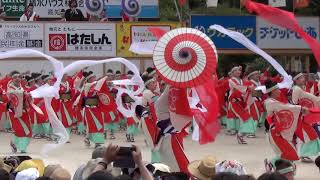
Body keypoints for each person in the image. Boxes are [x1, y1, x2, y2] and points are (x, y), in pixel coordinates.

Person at [291, 73, 320, 162]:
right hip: (302, 117)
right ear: (296, 81)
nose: (303, 79)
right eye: (300, 78)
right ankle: (304, 154)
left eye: (303, 77)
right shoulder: (296, 89)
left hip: (306, 116)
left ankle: (305, 154)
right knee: (309, 135)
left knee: (310, 135)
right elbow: (294, 103)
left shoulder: (301, 88)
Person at [227, 66, 255, 144]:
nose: (238, 71)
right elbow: (238, 87)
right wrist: (248, 87)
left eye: (239, 70)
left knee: (247, 118)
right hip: (234, 102)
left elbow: (249, 86)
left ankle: (240, 134)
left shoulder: (242, 81)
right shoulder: (231, 80)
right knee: (246, 118)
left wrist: (252, 87)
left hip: (241, 102)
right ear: (232, 73)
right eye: (236, 70)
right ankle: (240, 134)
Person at [7, 71, 33, 153]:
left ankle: (15, 143)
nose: (17, 79)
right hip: (14, 113)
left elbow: (26, 98)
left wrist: (29, 97)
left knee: (28, 130)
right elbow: (13, 95)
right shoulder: (10, 89)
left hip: (24, 112)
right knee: (20, 130)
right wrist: (24, 94)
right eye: (15, 77)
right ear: (12, 79)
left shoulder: (22, 88)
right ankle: (22, 148)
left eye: (19, 77)